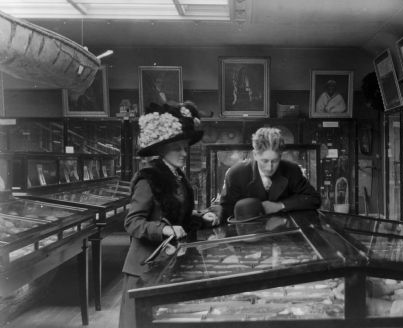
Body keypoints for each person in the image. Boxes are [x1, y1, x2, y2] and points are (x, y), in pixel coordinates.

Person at [118, 101, 220, 328]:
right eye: (178, 148)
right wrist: (163, 229)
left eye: (185, 147)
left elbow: (177, 217)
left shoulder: (177, 176)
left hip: (167, 264)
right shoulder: (149, 178)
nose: (184, 153)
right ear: (163, 149)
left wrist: (200, 218)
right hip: (144, 269)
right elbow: (133, 223)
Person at [219, 127, 321, 220]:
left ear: (280, 156)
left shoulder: (292, 170)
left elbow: (314, 199)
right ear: (255, 155)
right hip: (248, 235)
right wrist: (213, 215)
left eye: (275, 161)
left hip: (285, 233)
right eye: (265, 161)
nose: (269, 167)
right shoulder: (236, 174)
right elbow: (226, 208)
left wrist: (279, 206)